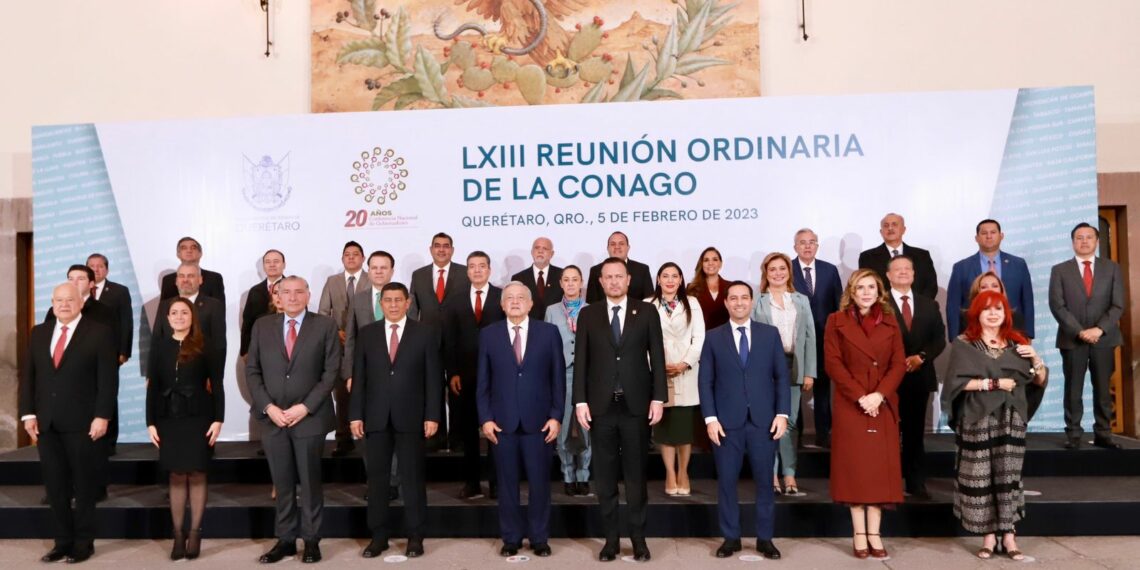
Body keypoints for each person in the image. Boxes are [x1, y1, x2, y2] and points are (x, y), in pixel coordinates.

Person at [941, 290, 1048, 560]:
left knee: (1008, 476)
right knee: (980, 477)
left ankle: (1009, 537)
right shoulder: (965, 343)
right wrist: (994, 383)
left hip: (1010, 418)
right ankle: (988, 537)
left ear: (1006, 314)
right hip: (978, 417)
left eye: (998, 309)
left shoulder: (1017, 343)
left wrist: (1036, 359)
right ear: (977, 312)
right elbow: (956, 384)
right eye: (987, 309)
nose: (993, 314)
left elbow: (1038, 380)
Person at [574, 257, 667, 562]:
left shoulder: (647, 311)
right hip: (600, 407)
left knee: (636, 477)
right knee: (605, 477)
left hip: (636, 406)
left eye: (619, 276)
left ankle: (638, 539)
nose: (614, 281)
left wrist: (658, 398)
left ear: (629, 280)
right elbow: (582, 362)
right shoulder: (589, 314)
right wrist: (580, 400)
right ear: (600, 282)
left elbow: (657, 355)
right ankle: (611, 540)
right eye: (608, 277)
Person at [20, 283, 118, 564]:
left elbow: (108, 381)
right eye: (59, 300)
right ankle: (62, 542)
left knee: (84, 486)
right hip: (46, 424)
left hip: (84, 423)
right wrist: (28, 414)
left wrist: (103, 416)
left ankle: (84, 543)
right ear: (52, 303)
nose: (64, 304)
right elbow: (29, 376)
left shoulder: (99, 333)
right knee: (55, 487)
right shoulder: (39, 333)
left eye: (69, 300)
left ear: (80, 302)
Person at [246, 276, 341, 564]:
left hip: (309, 419)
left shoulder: (324, 325)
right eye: (286, 292)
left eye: (299, 291)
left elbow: (331, 372)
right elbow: (252, 370)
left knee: (310, 482)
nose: (293, 297)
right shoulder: (262, 326)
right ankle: (286, 539)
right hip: (272, 418)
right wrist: (268, 407)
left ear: (308, 294)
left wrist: (305, 407)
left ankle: (311, 540)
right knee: (282, 482)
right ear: (277, 297)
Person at [350, 282, 442, 559]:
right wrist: (355, 414)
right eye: (387, 300)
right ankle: (378, 536)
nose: (392, 304)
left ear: (408, 302)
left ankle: (415, 536)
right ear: (381, 304)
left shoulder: (424, 333)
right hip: (375, 417)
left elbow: (434, 379)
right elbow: (360, 379)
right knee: (377, 480)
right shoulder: (367, 334)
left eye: (397, 300)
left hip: (412, 417)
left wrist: (433, 415)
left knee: (412, 479)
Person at [699, 280, 789, 560]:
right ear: (726, 303)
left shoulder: (769, 334)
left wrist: (782, 414)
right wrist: (710, 419)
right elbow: (706, 381)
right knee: (727, 483)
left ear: (752, 302)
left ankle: (765, 539)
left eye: (744, 298)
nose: (739, 302)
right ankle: (731, 538)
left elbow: (782, 377)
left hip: (764, 422)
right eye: (733, 298)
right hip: (726, 424)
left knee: (765, 482)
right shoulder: (713, 337)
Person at [477, 281, 565, 557]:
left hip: (539, 423)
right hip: (502, 424)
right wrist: (485, 419)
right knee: (506, 485)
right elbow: (483, 381)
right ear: (502, 305)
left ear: (530, 304)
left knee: (540, 484)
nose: (515, 302)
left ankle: (539, 538)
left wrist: (556, 416)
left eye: (520, 298)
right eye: (509, 298)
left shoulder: (549, 333)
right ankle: (511, 538)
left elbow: (558, 379)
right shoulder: (489, 335)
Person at [824, 268, 906, 559]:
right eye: (861, 287)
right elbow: (833, 364)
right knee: (855, 472)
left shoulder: (890, 322)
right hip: (852, 404)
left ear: (879, 291)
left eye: (872, 287)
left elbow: (898, 364)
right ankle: (859, 534)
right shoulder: (836, 321)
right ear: (852, 291)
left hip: (882, 402)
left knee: (878, 473)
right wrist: (861, 396)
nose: (867, 292)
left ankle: (875, 533)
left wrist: (879, 395)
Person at [146, 298, 225, 560]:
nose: (179, 316)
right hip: (168, 417)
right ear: (167, 319)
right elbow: (153, 387)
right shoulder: (158, 347)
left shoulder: (207, 344)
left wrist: (218, 419)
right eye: (174, 313)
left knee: (198, 472)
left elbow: (217, 383)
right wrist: (150, 422)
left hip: (199, 417)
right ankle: (178, 535)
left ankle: (195, 532)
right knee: (177, 475)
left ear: (192, 317)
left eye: (184, 312)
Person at [43, 264, 119, 502]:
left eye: (80, 278)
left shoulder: (102, 312)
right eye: (70, 278)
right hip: (60, 397)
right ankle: (61, 490)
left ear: (91, 283)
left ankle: (95, 488)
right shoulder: (52, 313)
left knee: (92, 449)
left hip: (91, 389)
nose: (75, 282)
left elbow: (110, 349)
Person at [1049, 222, 1126, 450]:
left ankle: (1104, 433)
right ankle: (1073, 435)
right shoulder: (1060, 270)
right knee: (1073, 389)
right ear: (1073, 242)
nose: (1084, 241)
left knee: (1102, 388)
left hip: (1105, 338)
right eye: (1079, 238)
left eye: (1089, 237)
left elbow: (1117, 304)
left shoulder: (1112, 268)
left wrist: (1098, 329)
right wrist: (1080, 331)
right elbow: (1057, 305)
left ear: (1097, 241)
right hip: (1072, 339)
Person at [751, 253, 815, 496]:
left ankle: (789, 475)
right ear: (766, 273)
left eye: (782, 269)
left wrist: (809, 372)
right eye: (772, 269)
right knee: (768, 424)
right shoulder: (757, 301)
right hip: (765, 370)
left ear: (789, 272)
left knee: (789, 423)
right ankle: (770, 476)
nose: (777, 273)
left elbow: (810, 337)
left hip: (794, 366)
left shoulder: (801, 300)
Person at [442, 251, 505, 498]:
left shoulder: (502, 297)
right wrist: (453, 372)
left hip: (497, 376)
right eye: (472, 266)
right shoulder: (455, 300)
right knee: (468, 433)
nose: (477, 270)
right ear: (467, 271)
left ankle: (497, 483)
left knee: (496, 432)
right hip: (465, 377)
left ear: (489, 270)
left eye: (482, 266)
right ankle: (472, 482)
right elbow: (449, 340)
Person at [885, 255, 946, 499]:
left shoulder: (928, 304)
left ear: (914, 274)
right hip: (887, 378)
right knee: (887, 434)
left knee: (914, 433)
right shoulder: (879, 304)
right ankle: (887, 482)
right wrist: (898, 361)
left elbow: (939, 339)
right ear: (888, 275)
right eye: (897, 269)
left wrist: (921, 356)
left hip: (919, 376)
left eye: (907, 269)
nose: (903, 272)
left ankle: (915, 482)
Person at [342, 251, 401, 500]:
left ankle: (394, 482)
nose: (378, 271)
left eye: (383, 267)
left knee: (396, 430)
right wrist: (349, 373)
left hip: (400, 377)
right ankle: (376, 481)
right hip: (367, 377)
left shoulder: (404, 297)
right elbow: (351, 339)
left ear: (392, 270)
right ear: (368, 270)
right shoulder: (358, 298)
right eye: (374, 267)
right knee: (370, 432)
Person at [408, 232, 469, 451]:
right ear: (431, 249)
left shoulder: (464, 272)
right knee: (432, 388)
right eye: (437, 246)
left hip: (458, 340)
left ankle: (458, 437)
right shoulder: (419, 275)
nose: (441, 249)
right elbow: (413, 309)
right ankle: (436, 436)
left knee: (457, 388)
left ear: (452, 249)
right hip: (428, 341)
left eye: (446, 246)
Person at [648, 262, 705, 496]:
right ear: (658, 280)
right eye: (665, 276)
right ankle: (670, 473)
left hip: (687, 372)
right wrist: (658, 366)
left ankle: (684, 472)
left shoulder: (692, 303)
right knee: (665, 430)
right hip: (659, 374)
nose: (670, 280)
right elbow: (642, 342)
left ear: (681, 280)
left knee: (683, 431)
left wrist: (684, 363)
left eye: (675, 276)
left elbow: (699, 337)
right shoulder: (647, 305)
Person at [790, 228, 843, 448]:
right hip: (793, 340)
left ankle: (823, 433)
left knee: (822, 389)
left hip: (823, 340)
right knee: (795, 389)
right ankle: (796, 435)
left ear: (817, 246)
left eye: (812, 242)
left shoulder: (829, 271)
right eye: (803, 242)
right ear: (795, 247)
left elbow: (839, 305)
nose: (808, 246)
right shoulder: (786, 270)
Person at [544, 265, 592, 496]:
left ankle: (584, 475)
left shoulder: (592, 310)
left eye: (575, 279)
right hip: (560, 376)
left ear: (581, 282)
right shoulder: (552, 311)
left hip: (586, 376)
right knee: (562, 428)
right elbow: (546, 344)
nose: (571, 283)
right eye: (566, 280)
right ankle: (567, 474)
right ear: (561, 283)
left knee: (586, 428)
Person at [946, 219, 1034, 339]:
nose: (989, 236)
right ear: (976, 238)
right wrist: (954, 337)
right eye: (984, 233)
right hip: (973, 334)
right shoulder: (961, 267)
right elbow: (953, 305)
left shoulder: (1018, 264)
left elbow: (1027, 302)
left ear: (1001, 236)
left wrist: (1028, 335)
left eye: (993, 232)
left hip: (1013, 331)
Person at [317, 241, 366, 457]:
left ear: (363, 258)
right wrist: (336, 331)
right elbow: (322, 312)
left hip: (365, 345)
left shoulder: (371, 279)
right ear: (342, 258)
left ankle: (367, 435)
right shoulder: (332, 281)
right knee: (341, 393)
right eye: (347, 254)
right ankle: (343, 438)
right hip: (338, 346)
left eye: (356, 254)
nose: (352, 258)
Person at [152, 263, 227, 359]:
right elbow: (156, 342)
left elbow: (219, 345)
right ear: (176, 281)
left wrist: (216, 374)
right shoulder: (164, 306)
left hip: (202, 369)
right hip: (169, 369)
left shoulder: (214, 306)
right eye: (181, 276)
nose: (185, 280)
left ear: (200, 280)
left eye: (190, 276)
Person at [858, 213, 938, 299]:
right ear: (881, 232)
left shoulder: (922, 256)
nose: (890, 228)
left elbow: (931, 286)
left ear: (903, 229)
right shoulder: (867, 257)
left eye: (894, 224)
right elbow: (866, 287)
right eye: (886, 225)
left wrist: (917, 306)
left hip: (918, 309)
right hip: (883, 309)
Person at [87, 253, 133, 366]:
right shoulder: (77, 291)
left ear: (107, 270)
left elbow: (126, 322)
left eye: (100, 266)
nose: (95, 270)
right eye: (91, 266)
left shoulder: (120, 291)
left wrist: (124, 351)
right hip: (83, 350)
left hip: (110, 350)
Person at [239, 249, 286, 357]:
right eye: (268, 262)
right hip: (260, 348)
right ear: (263, 266)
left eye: (276, 261)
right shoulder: (255, 291)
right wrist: (245, 351)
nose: (272, 265)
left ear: (284, 264)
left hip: (287, 346)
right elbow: (247, 323)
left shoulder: (293, 287)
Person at [585, 231, 654, 303]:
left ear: (628, 247)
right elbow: (591, 303)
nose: (617, 247)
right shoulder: (595, 271)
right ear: (608, 248)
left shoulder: (642, 270)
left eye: (621, 244)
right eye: (613, 244)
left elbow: (649, 301)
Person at [511, 236, 563, 320]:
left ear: (552, 254)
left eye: (545, 248)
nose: (540, 251)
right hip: (529, 327)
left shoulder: (562, 275)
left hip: (556, 325)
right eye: (537, 248)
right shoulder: (519, 278)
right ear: (532, 252)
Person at [160, 237, 225, 303]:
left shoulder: (214, 278)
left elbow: (219, 309)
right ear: (178, 254)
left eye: (193, 248)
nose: (189, 251)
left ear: (200, 253)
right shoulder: (168, 280)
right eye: (184, 248)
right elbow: (163, 310)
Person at [687, 246, 731, 330]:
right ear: (702, 264)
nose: (710, 263)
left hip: (726, 338)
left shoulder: (731, 287)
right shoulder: (691, 288)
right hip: (701, 339)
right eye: (706, 260)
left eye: (715, 259)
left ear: (720, 264)